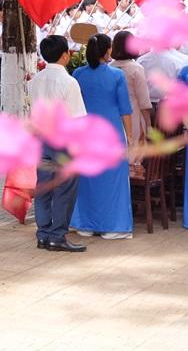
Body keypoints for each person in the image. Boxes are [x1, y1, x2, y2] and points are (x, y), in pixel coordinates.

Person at [69, 33, 135, 240]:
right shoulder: (116, 75)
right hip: (111, 134)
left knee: (87, 179)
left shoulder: (78, 74)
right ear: (107, 50)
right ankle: (114, 226)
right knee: (113, 181)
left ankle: (85, 224)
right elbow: (125, 109)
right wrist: (130, 137)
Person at [32, 35, 87, 253]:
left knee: (44, 188)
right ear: (65, 55)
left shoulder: (36, 79)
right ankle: (57, 236)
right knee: (65, 189)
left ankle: (43, 234)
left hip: (41, 138)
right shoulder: (69, 82)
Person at [110, 30, 152, 152]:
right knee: (134, 150)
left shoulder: (109, 67)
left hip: (114, 114)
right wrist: (148, 124)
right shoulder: (136, 69)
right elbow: (143, 101)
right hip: (133, 114)